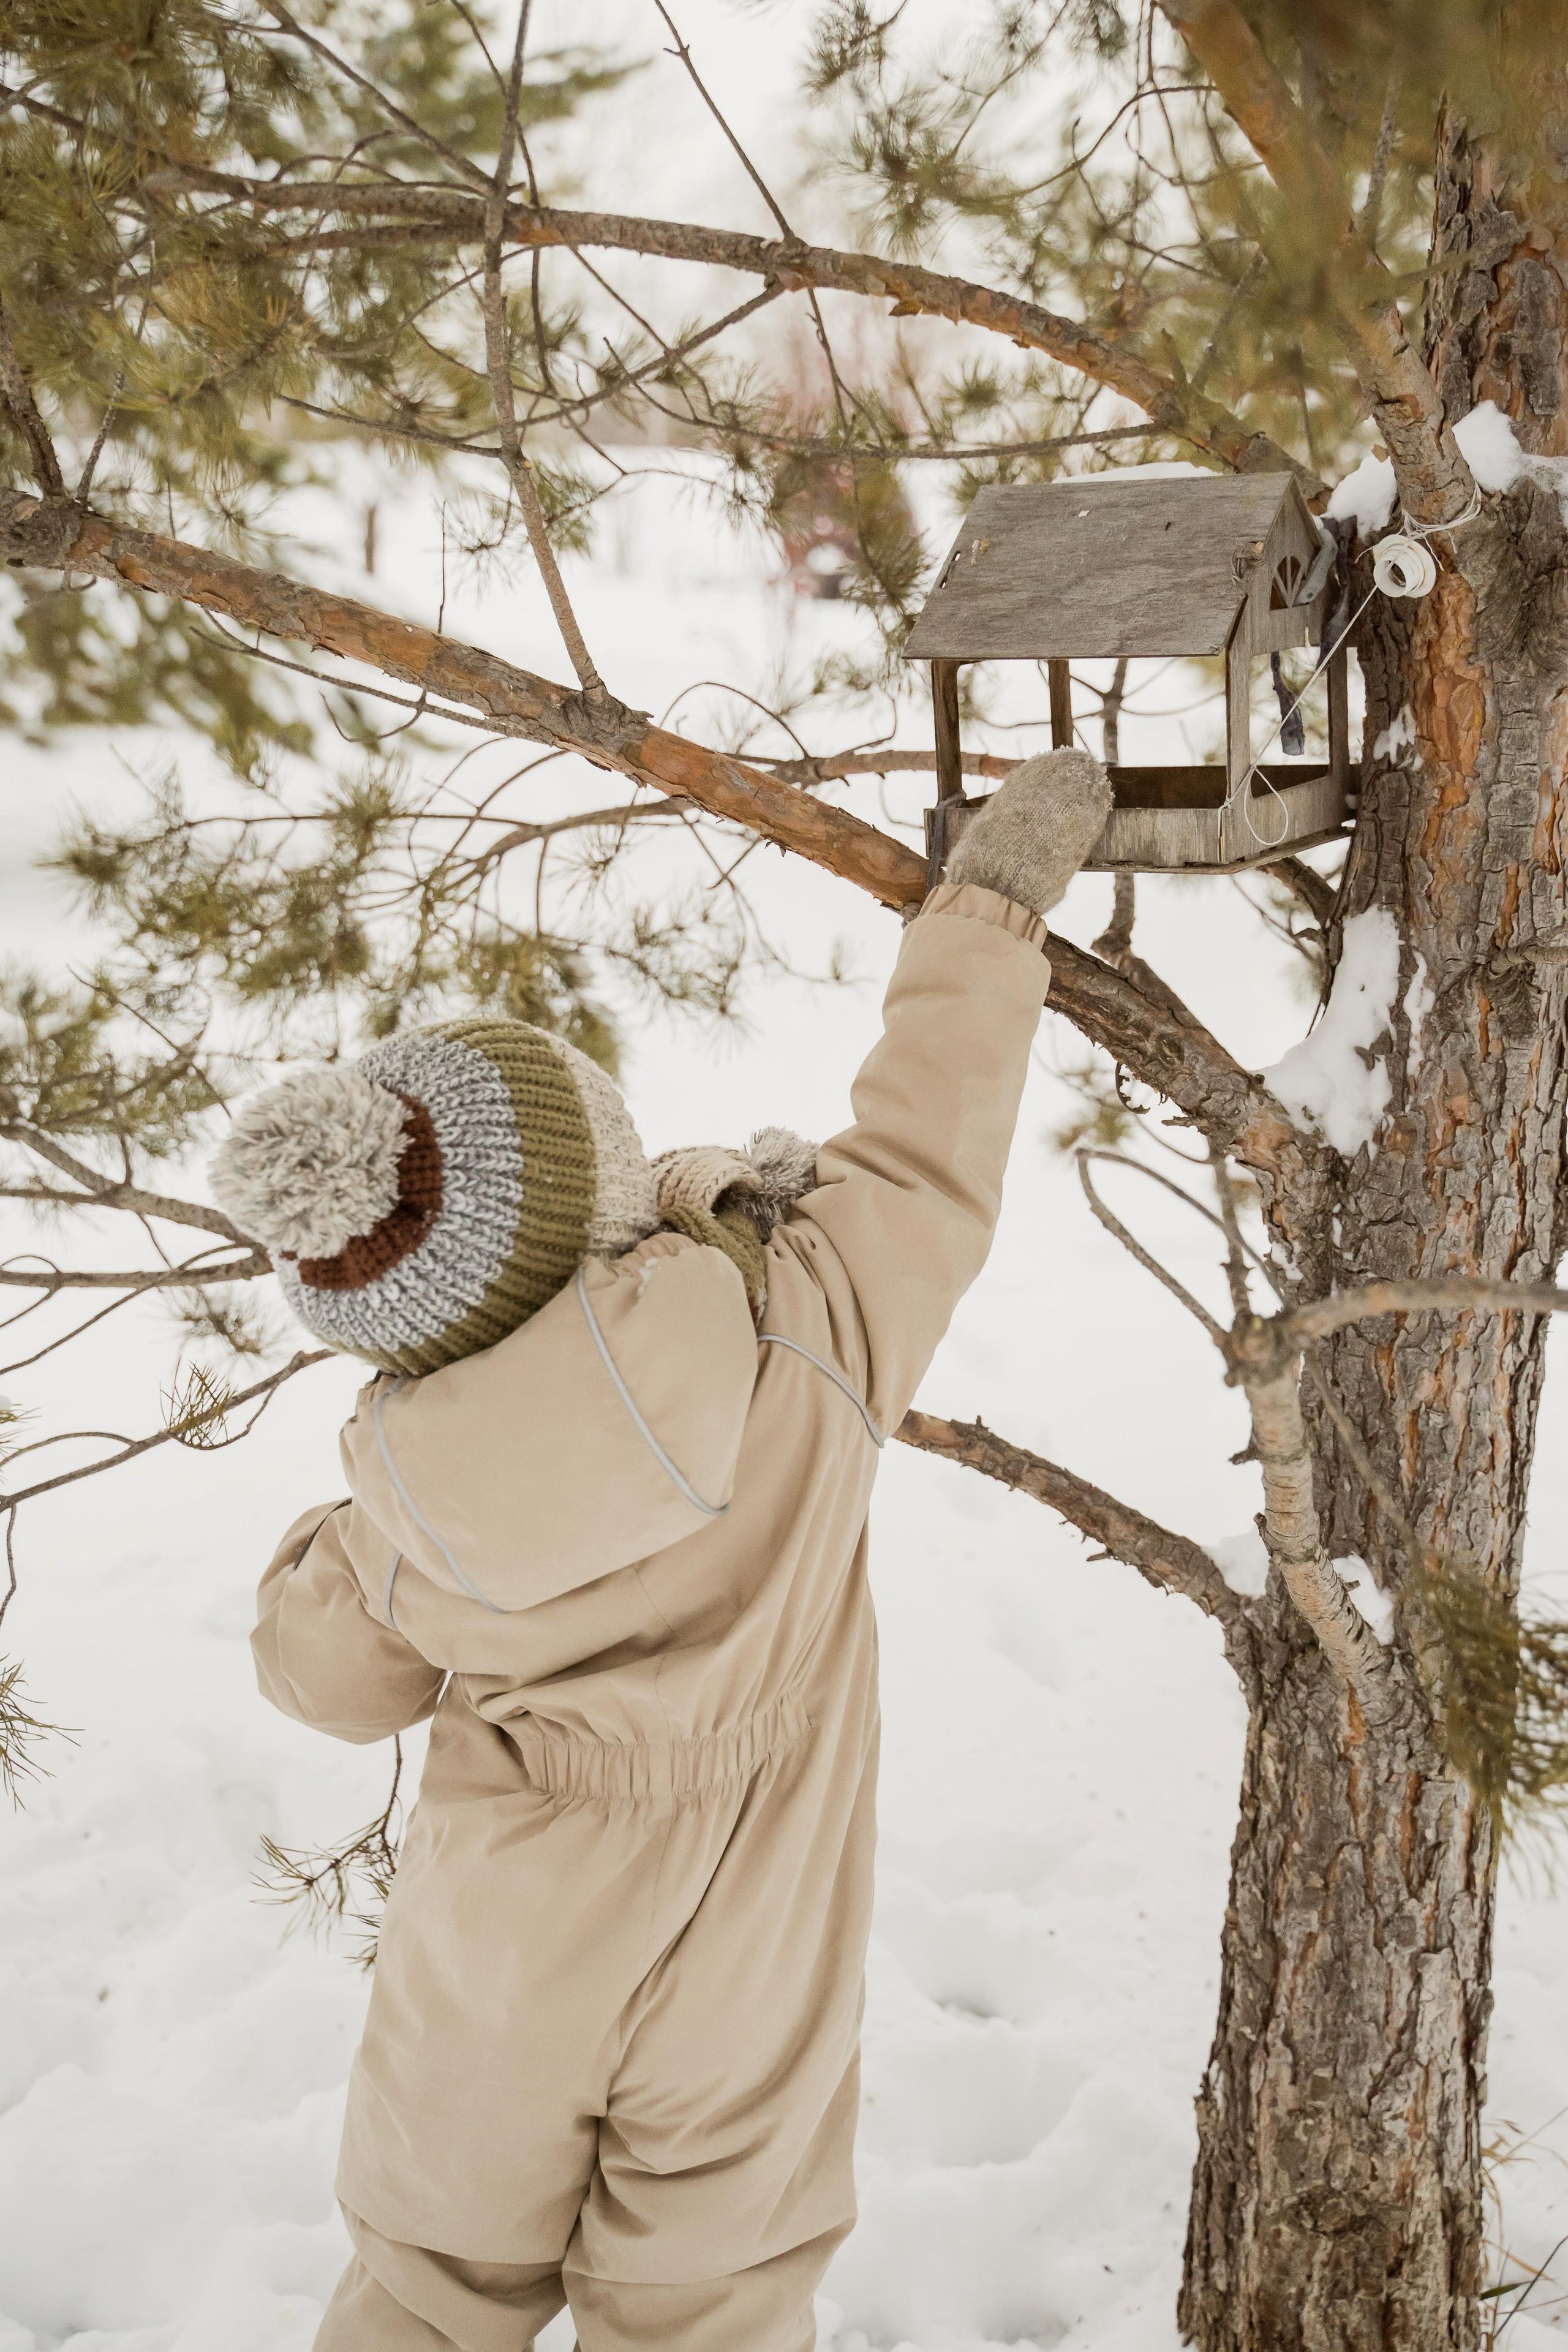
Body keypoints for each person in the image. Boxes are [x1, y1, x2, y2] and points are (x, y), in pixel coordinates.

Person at [214, 751, 1114, 2352]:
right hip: (752, 1962)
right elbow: (925, 1157)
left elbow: (328, 1684)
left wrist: (331, 1542)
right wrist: (984, 914)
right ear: (609, 1184)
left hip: (502, 1960)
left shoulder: (408, 1507)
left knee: (428, 2291)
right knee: (711, 2307)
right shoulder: (812, 1320)